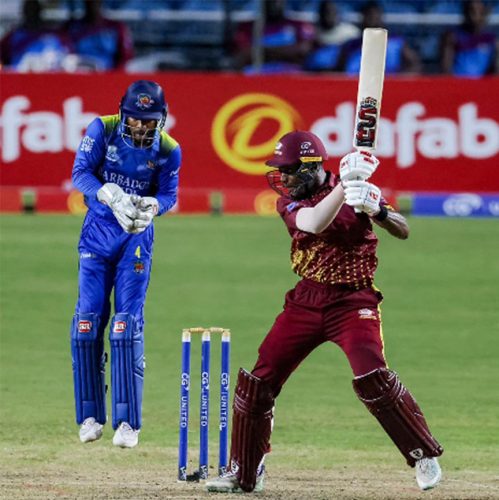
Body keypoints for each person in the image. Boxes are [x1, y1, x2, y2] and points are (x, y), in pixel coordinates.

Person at [205, 131, 443, 493]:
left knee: (373, 379)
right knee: (258, 383)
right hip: (305, 300)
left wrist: (376, 210)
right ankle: (244, 472)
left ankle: (423, 454)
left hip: (353, 302)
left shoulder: (357, 190)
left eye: (287, 171)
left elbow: (403, 229)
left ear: (310, 167)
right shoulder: (289, 203)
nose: (281, 179)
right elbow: (315, 223)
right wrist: (345, 188)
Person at [70, 80, 181, 448]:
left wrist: (154, 207)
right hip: (98, 231)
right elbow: (80, 173)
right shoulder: (102, 128)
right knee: (87, 323)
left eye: (149, 122)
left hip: (136, 236)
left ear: (161, 119)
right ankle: (88, 416)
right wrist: (104, 191)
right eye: (135, 120)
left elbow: (168, 194)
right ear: (123, 113)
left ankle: (128, 423)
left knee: (125, 325)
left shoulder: (168, 149)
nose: (141, 128)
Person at [337, 1, 421, 74]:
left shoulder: (396, 42)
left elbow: (414, 65)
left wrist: (399, 80)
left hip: (390, 86)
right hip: (354, 87)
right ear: (362, 18)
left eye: (375, 15)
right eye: (369, 16)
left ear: (381, 17)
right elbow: (339, 71)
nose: (372, 19)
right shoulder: (350, 45)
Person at [232, 0, 315, 72]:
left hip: (290, 76)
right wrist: (285, 52)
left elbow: (303, 51)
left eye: (278, 1)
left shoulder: (296, 24)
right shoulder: (248, 26)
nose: (274, 4)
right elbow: (243, 55)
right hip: (257, 76)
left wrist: (262, 51)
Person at [0, 0, 72, 71]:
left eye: (34, 10)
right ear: (24, 12)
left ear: (39, 12)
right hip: (18, 78)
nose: (32, 14)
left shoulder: (55, 36)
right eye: (29, 10)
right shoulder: (13, 36)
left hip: (49, 77)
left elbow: (70, 57)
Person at [64, 0, 134, 71]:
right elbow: (64, 52)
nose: (93, 5)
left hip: (107, 75)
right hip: (78, 73)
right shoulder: (72, 27)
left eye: (96, 2)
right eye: (89, 2)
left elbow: (125, 58)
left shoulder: (116, 28)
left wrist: (115, 76)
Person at [440, 0, 497, 77]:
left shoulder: (491, 40)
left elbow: (494, 71)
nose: (475, 16)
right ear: (465, 13)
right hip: (458, 84)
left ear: (485, 14)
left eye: (480, 12)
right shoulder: (452, 37)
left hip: (482, 86)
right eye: (472, 11)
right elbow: (446, 69)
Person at [305, 0, 360, 71]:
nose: (330, 16)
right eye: (327, 12)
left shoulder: (351, 32)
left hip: (343, 71)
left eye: (333, 12)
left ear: (337, 13)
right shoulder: (312, 32)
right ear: (320, 14)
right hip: (318, 71)